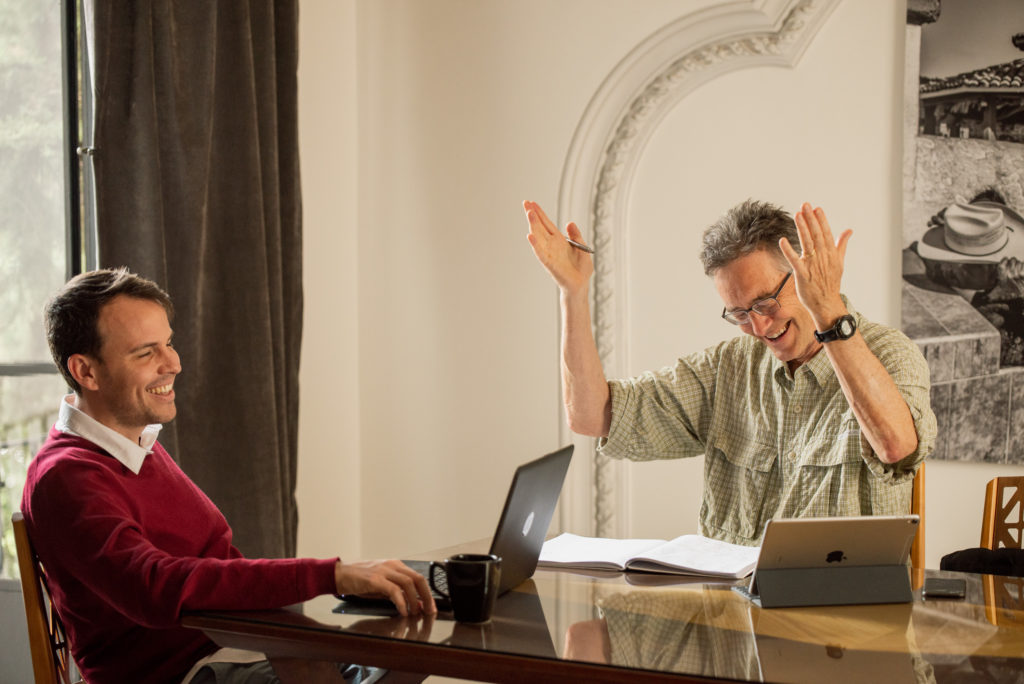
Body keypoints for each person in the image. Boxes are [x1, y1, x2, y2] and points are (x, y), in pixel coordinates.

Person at [21, 268, 436, 684]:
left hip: (241, 648)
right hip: (188, 672)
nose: (174, 364)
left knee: (416, 651)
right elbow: (156, 585)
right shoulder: (65, 477)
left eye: (168, 343)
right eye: (146, 353)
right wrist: (332, 575)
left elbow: (217, 565)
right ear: (86, 371)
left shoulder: (137, 446)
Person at [524, 199, 936, 546]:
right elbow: (591, 415)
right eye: (739, 313)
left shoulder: (890, 354)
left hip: (841, 628)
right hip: (732, 624)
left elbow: (895, 446)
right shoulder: (728, 367)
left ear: (805, 274)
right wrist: (573, 294)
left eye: (765, 303)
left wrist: (828, 310)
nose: (757, 327)